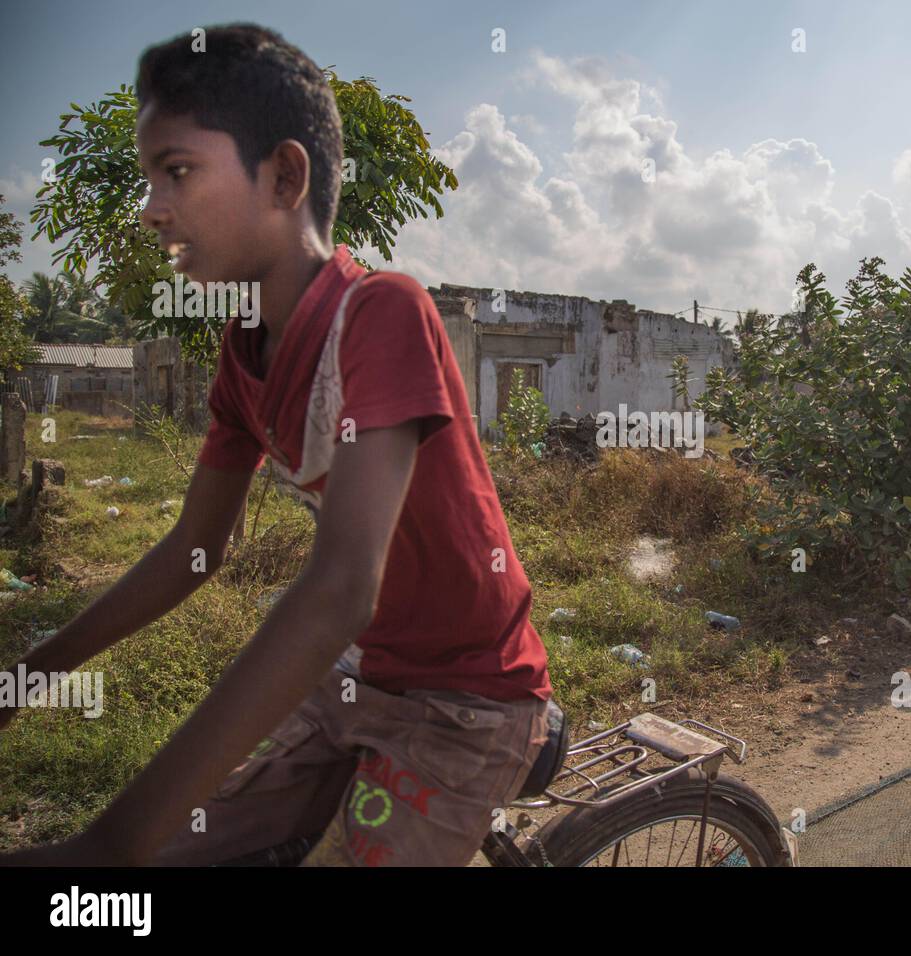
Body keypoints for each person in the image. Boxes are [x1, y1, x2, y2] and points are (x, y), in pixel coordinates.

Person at [0, 23, 552, 866]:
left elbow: (340, 588)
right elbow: (194, 549)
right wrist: (33, 669)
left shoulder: (383, 313)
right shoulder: (240, 354)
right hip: (358, 677)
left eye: (177, 171)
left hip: (467, 700)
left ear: (285, 176)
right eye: (151, 178)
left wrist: (112, 842)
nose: (151, 207)